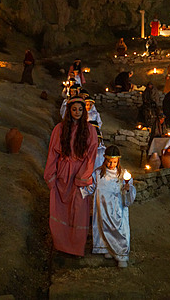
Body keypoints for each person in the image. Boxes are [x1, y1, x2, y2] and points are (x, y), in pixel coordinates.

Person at [44, 96, 98, 256]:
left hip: (79, 174)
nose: (77, 112)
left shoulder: (90, 130)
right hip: (62, 174)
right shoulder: (59, 129)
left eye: (80, 109)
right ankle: (60, 244)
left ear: (84, 111)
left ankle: (75, 247)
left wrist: (82, 176)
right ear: (69, 111)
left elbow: (91, 156)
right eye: (74, 109)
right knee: (60, 208)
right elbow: (52, 154)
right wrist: (51, 175)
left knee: (79, 210)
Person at [80, 145, 136, 268]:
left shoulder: (123, 175)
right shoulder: (98, 173)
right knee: (103, 227)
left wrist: (128, 189)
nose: (112, 164)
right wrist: (80, 192)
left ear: (118, 161)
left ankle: (121, 254)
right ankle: (108, 248)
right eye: (109, 161)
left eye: (114, 162)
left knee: (120, 230)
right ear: (105, 159)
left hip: (117, 209)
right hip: (103, 209)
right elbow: (90, 187)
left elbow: (129, 195)